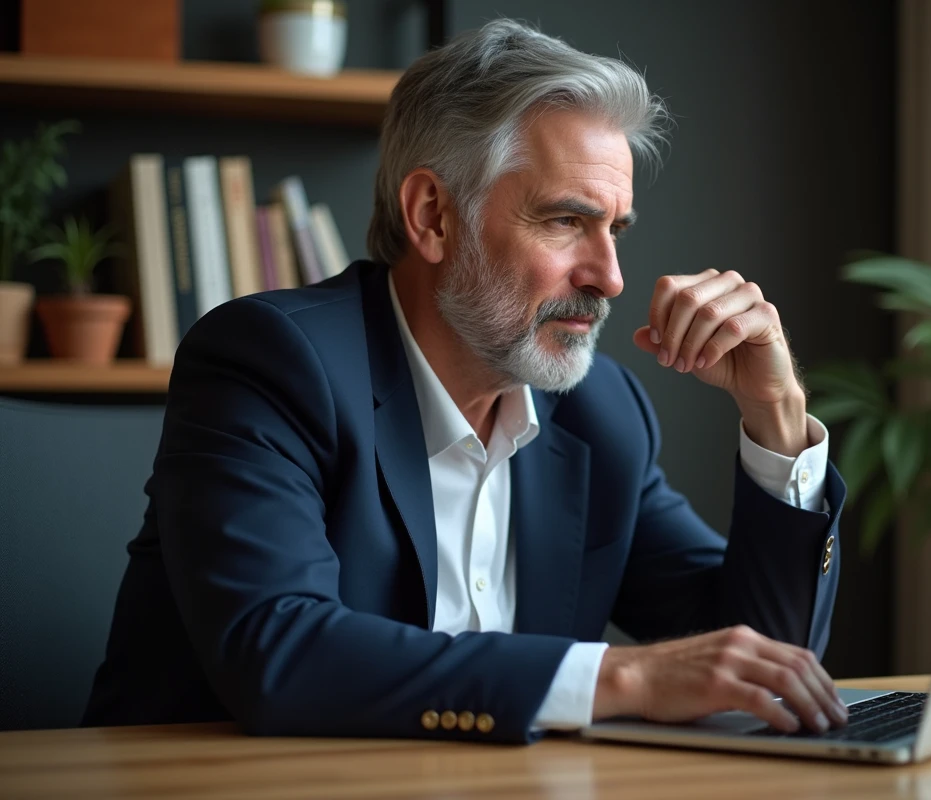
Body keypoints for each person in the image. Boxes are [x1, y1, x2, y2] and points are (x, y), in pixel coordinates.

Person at [82, 19, 849, 742]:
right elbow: (277, 648)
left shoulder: (600, 412)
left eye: (614, 229)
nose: (611, 278)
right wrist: (622, 678)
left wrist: (775, 412)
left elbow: (767, 672)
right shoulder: (271, 361)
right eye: (564, 221)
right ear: (433, 216)